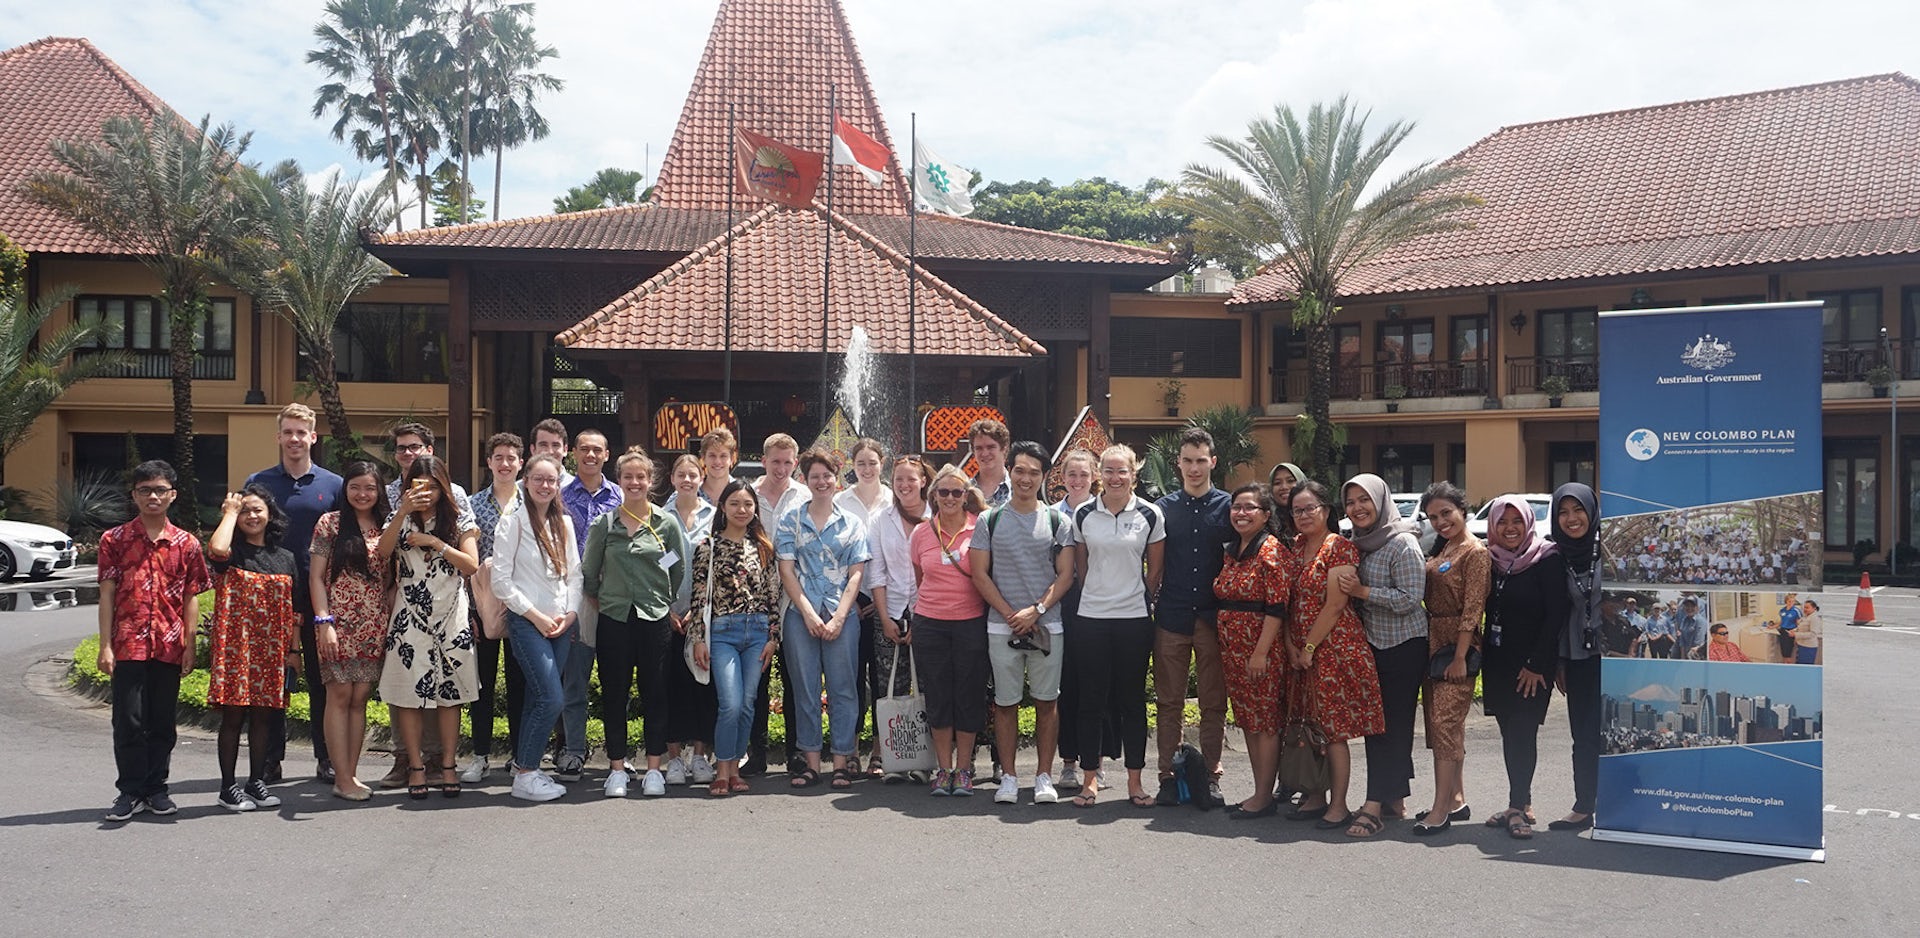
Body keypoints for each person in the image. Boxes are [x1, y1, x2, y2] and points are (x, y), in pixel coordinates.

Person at [97, 460, 213, 822]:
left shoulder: (186, 544)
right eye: (145, 490)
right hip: (128, 642)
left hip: (168, 642)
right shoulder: (114, 540)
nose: (153, 496)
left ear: (172, 495)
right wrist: (105, 645)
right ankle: (129, 791)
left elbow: (192, 596)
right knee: (128, 720)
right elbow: (107, 594)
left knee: (162, 722)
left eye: (160, 490)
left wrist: (190, 644)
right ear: (134, 495)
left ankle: (156, 788)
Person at [581, 448, 690, 798]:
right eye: (628, 477)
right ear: (620, 480)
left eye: (640, 477)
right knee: (615, 694)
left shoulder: (665, 524)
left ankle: (654, 768)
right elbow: (589, 571)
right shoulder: (605, 525)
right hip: (614, 618)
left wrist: (662, 597)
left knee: (655, 693)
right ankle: (616, 768)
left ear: (650, 481)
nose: (634, 483)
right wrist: (603, 598)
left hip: (654, 617)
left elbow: (676, 566)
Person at [971, 442, 1076, 805]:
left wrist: (1036, 610)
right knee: (1005, 703)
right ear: (1009, 472)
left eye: (1034, 471)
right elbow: (980, 575)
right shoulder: (990, 519)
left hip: (1048, 626)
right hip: (1002, 627)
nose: (1026, 478)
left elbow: (1065, 575)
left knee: (1047, 702)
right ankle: (1010, 777)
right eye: (1020, 470)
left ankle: (1044, 775)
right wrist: (1010, 614)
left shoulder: (1058, 521)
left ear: (1044, 476)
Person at [244, 403, 342, 785]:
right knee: (272, 679)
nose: (295, 439)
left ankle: (326, 756)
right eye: (288, 432)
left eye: (302, 433)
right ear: (279, 437)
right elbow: (246, 532)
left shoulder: (332, 485)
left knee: (322, 681)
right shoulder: (258, 481)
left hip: (320, 593)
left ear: (313, 437)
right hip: (270, 595)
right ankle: (270, 760)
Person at [377, 454, 482, 800]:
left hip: (451, 613)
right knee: (409, 695)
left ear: (444, 486)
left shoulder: (459, 517)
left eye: (433, 486)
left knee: (450, 696)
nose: (427, 493)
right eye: (419, 486)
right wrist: (403, 512)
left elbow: (470, 565)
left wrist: (436, 543)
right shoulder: (400, 516)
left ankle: (449, 765)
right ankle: (416, 767)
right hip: (410, 615)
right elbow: (382, 552)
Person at [1066, 444, 1164, 809]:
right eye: (1107, 470)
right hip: (1091, 619)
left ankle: (1135, 782)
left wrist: (1132, 596)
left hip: (1133, 621)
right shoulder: (1084, 514)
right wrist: (1100, 594)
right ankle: (1089, 780)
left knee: (1131, 702)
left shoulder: (1151, 515)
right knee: (1090, 701)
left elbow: (1154, 572)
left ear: (1133, 474)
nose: (1115, 477)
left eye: (1121, 471)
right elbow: (1081, 566)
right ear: (1098, 475)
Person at [1283, 480, 1384, 830]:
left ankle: (1339, 804)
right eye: (1297, 510)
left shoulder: (1338, 547)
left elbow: (1336, 604)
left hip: (1334, 650)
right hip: (1301, 651)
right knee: (1309, 724)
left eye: (1310, 508)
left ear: (1326, 510)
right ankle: (1315, 795)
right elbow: (1285, 602)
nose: (1304, 515)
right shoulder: (1294, 547)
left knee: (1334, 730)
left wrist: (1309, 646)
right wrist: (1292, 646)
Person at [1332, 473, 1428, 837]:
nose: (1357, 508)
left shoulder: (1402, 543)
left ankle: (1373, 804)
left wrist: (1362, 591)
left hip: (1403, 645)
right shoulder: (1359, 542)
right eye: (1351, 502)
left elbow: (1410, 598)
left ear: (1381, 501)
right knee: (1380, 725)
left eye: (1364, 500)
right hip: (1374, 644)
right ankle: (1393, 799)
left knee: (1390, 726)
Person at [774, 447, 871, 789]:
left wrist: (840, 617)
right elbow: (786, 570)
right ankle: (811, 762)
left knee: (844, 688)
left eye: (827, 475)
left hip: (841, 615)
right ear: (806, 479)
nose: (821, 481)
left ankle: (843, 761)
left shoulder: (852, 523)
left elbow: (857, 574)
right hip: (801, 614)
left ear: (836, 478)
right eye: (814, 476)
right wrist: (809, 614)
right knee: (805, 689)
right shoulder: (791, 520)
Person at [492, 453, 583, 803]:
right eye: (538, 479)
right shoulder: (512, 522)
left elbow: (574, 574)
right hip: (528, 623)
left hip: (560, 623)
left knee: (536, 698)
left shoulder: (564, 522)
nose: (545, 486)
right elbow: (501, 581)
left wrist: (571, 614)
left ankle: (524, 769)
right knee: (551, 697)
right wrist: (535, 616)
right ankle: (528, 772)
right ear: (525, 482)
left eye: (551, 480)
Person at [1480, 494, 1569, 840]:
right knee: (1508, 731)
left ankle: (1518, 806)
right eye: (1502, 521)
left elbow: (1556, 616)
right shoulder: (1491, 560)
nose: (1510, 528)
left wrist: (1537, 664)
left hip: (1532, 665)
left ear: (1529, 522)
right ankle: (1522, 802)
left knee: (1523, 730)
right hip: (1499, 660)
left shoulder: (1546, 559)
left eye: (1517, 521)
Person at [1151, 428, 1232, 807]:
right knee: (1169, 701)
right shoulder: (1161, 509)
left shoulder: (1230, 508)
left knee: (1214, 701)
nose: (1194, 467)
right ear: (1178, 463)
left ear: (1213, 462)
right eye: (1188, 460)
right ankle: (1168, 776)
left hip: (1215, 619)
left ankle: (1211, 775)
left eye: (1201, 460)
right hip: (1172, 614)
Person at [205, 486, 298, 812]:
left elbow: (295, 612)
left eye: (257, 509)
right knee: (232, 718)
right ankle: (227, 787)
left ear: (270, 514)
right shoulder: (231, 553)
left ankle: (256, 781)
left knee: (263, 719)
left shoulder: (285, 558)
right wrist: (229, 511)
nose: (252, 516)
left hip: (272, 650)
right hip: (236, 648)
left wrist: (294, 652)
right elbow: (215, 549)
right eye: (245, 511)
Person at [687, 480, 782, 797]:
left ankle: (736, 770)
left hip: (757, 632)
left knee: (748, 703)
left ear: (755, 510)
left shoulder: (764, 548)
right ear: (723, 508)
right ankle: (722, 768)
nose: (742, 510)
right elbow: (699, 598)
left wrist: (773, 637)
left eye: (748, 504)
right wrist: (699, 638)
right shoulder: (707, 547)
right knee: (730, 703)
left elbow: (773, 596)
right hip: (723, 632)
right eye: (735, 504)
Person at [309, 460, 391, 801]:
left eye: (369, 488)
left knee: (360, 700)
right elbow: (316, 577)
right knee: (339, 696)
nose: (362, 493)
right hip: (337, 624)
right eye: (355, 486)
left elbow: (390, 580)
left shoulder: (386, 525)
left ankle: (351, 775)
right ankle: (341, 777)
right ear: (345, 489)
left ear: (379, 491)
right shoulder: (330, 523)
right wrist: (323, 621)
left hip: (373, 625)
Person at [1411, 482, 1487, 835]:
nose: (1441, 521)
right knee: (1443, 726)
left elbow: (1473, 609)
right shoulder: (1444, 548)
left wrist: (1461, 655)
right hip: (1433, 642)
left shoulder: (1474, 552)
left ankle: (1439, 810)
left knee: (1444, 724)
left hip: (1457, 645)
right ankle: (1456, 799)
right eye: (1433, 517)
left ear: (1462, 510)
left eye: (1446, 513)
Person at [1212, 484, 1290, 818]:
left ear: (1266, 515)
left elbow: (1276, 608)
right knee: (1248, 721)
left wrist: (1260, 652)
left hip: (1261, 651)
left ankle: (1263, 795)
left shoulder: (1270, 551)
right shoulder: (1233, 550)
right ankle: (1260, 790)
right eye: (1236, 507)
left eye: (1249, 508)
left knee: (1266, 722)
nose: (1241, 513)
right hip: (1233, 651)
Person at [910, 463, 989, 796]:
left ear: (966, 495)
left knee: (969, 696)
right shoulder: (921, 533)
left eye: (958, 492)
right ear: (934, 496)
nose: (951, 497)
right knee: (939, 696)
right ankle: (944, 769)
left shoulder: (980, 528)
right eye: (944, 492)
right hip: (930, 623)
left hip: (971, 622)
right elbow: (920, 577)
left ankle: (965, 769)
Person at [461, 431, 525, 783]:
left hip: (519, 605)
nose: (504, 464)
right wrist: (469, 610)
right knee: (481, 683)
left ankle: (519, 755)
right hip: (481, 604)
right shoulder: (472, 504)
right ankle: (480, 754)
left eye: (511, 458)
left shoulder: (530, 502)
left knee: (519, 683)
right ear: (489, 462)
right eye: (498, 457)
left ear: (521, 463)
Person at [555, 427, 618, 781]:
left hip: (613, 600)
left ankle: (617, 756)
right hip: (574, 599)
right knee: (574, 681)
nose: (590, 456)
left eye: (597, 450)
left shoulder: (622, 497)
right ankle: (574, 751)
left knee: (616, 682)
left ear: (606, 454)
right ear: (573, 454)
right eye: (584, 450)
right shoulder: (559, 498)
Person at [866, 454, 932, 783]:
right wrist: (885, 618)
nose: (905, 485)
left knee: (926, 685)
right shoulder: (881, 519)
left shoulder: (936, 515)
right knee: (887, 685)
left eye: (911, 479)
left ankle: (924, 756)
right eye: (899, 480)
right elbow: (876, 574)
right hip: (889, 610)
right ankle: (884, 754)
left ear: (924, 481)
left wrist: (920, 617)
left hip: (929, 612)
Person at [748, 432, 808, 776]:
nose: (781, 468)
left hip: (794, 599)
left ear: (795, 463)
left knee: (795, 679)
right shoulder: (748, 495)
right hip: (754, 600)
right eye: (775, 461)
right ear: (764, 461)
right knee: (756, 681)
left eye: (788, 462)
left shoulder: (804, 495)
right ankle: (756, 751)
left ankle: (796, 752)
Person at [1548, 482, 1605, 834]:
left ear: (1591, 511)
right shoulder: (1553, 557)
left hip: (1615, 657)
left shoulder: (1611, 551)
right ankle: (1584, 806)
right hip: (1577, 656)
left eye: (1578, 509)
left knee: (1620, 733)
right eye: (1563, 512)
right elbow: (1553, 614)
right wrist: (1559, 662)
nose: (1572, 519)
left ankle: (1626, 802)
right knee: (1583, 734)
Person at [835, 437, 892, 777]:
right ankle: (852, 749)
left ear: (882, 463)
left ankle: (882, 750)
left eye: (872, 462)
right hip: (851, 602)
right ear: (852, 467)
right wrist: (851, 600)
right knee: (852, 678)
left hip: (886, 600)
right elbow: (836, 555)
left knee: (884, 679)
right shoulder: (841, 501)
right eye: (861, 464)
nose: (867, 469)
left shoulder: (893, 499)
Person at [661, 453, 718, 787]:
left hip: (704, 616)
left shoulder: (714, 517)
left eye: (692, 474)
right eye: (681, 474)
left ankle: (699, 756)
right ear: (672, 478)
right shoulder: (659, 517)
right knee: (669, 688)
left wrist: (698, 611)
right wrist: (667, 609)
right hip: (666, 616)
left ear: (702, 477)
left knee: (702, 688)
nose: (687, 479)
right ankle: (673, 759)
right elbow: (652, 566)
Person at [1051, 448, 1107, 791]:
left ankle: (1095, 761)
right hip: (1062, 604)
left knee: (1096, 686)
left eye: (1084, 475)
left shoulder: (1103, 513)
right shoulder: (1050, 515)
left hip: (1098, 604)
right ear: (1062, 478)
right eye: (1072, 474)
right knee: (1066, 687)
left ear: (1094, 477)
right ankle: (1069, 762)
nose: (1077, 480)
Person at [967, 418, 1013, 509]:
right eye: (979, 448)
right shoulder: (964, 491)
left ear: (1004, 448)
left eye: (991, 447)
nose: (985, 453)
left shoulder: (1017, 489)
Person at [529, 417, 575, 488]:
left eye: (555, 445)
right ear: (533, 450)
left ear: (565, 450)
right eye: (543, 445)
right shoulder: (518, 490)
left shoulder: (577, 489)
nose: (550, 451)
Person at [698, 427, 738, 505]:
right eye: (712, 455)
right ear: (703, 458)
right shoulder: (689, 493)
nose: (717, 461)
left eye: (723, 456)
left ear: (732, 458)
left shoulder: (743, 493)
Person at [1793, 599, 1823, 664]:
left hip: (1808, 647)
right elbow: (1801, 627)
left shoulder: (1814, 618)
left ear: (1814, 608)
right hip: (1801, 645)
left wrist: (1796, 635)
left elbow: (1813, 634)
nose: (1805, 609)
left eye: (1807, 607)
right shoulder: (1806, 617)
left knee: (1805, 666)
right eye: (1804, 607)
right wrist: (1794, 631)